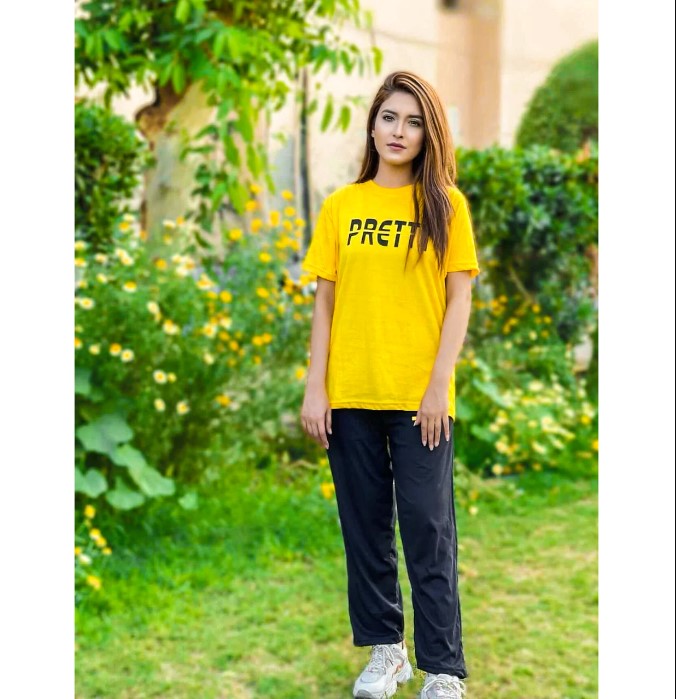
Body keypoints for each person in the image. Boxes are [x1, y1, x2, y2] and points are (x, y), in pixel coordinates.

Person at [300, 70, 480, 699]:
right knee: (366, 527)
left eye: (413, 121)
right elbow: (325, 302)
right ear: (373, 125)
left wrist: (438, 386)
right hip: (350, 394)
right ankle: (387, 652)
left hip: (418, 399)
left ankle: (443, 669)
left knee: (428, 529)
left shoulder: (445, 205)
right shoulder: (342, 207)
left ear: (429, 134)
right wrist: (315, 385)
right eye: (389, 118)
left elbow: (458, 301)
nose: (399, 132)